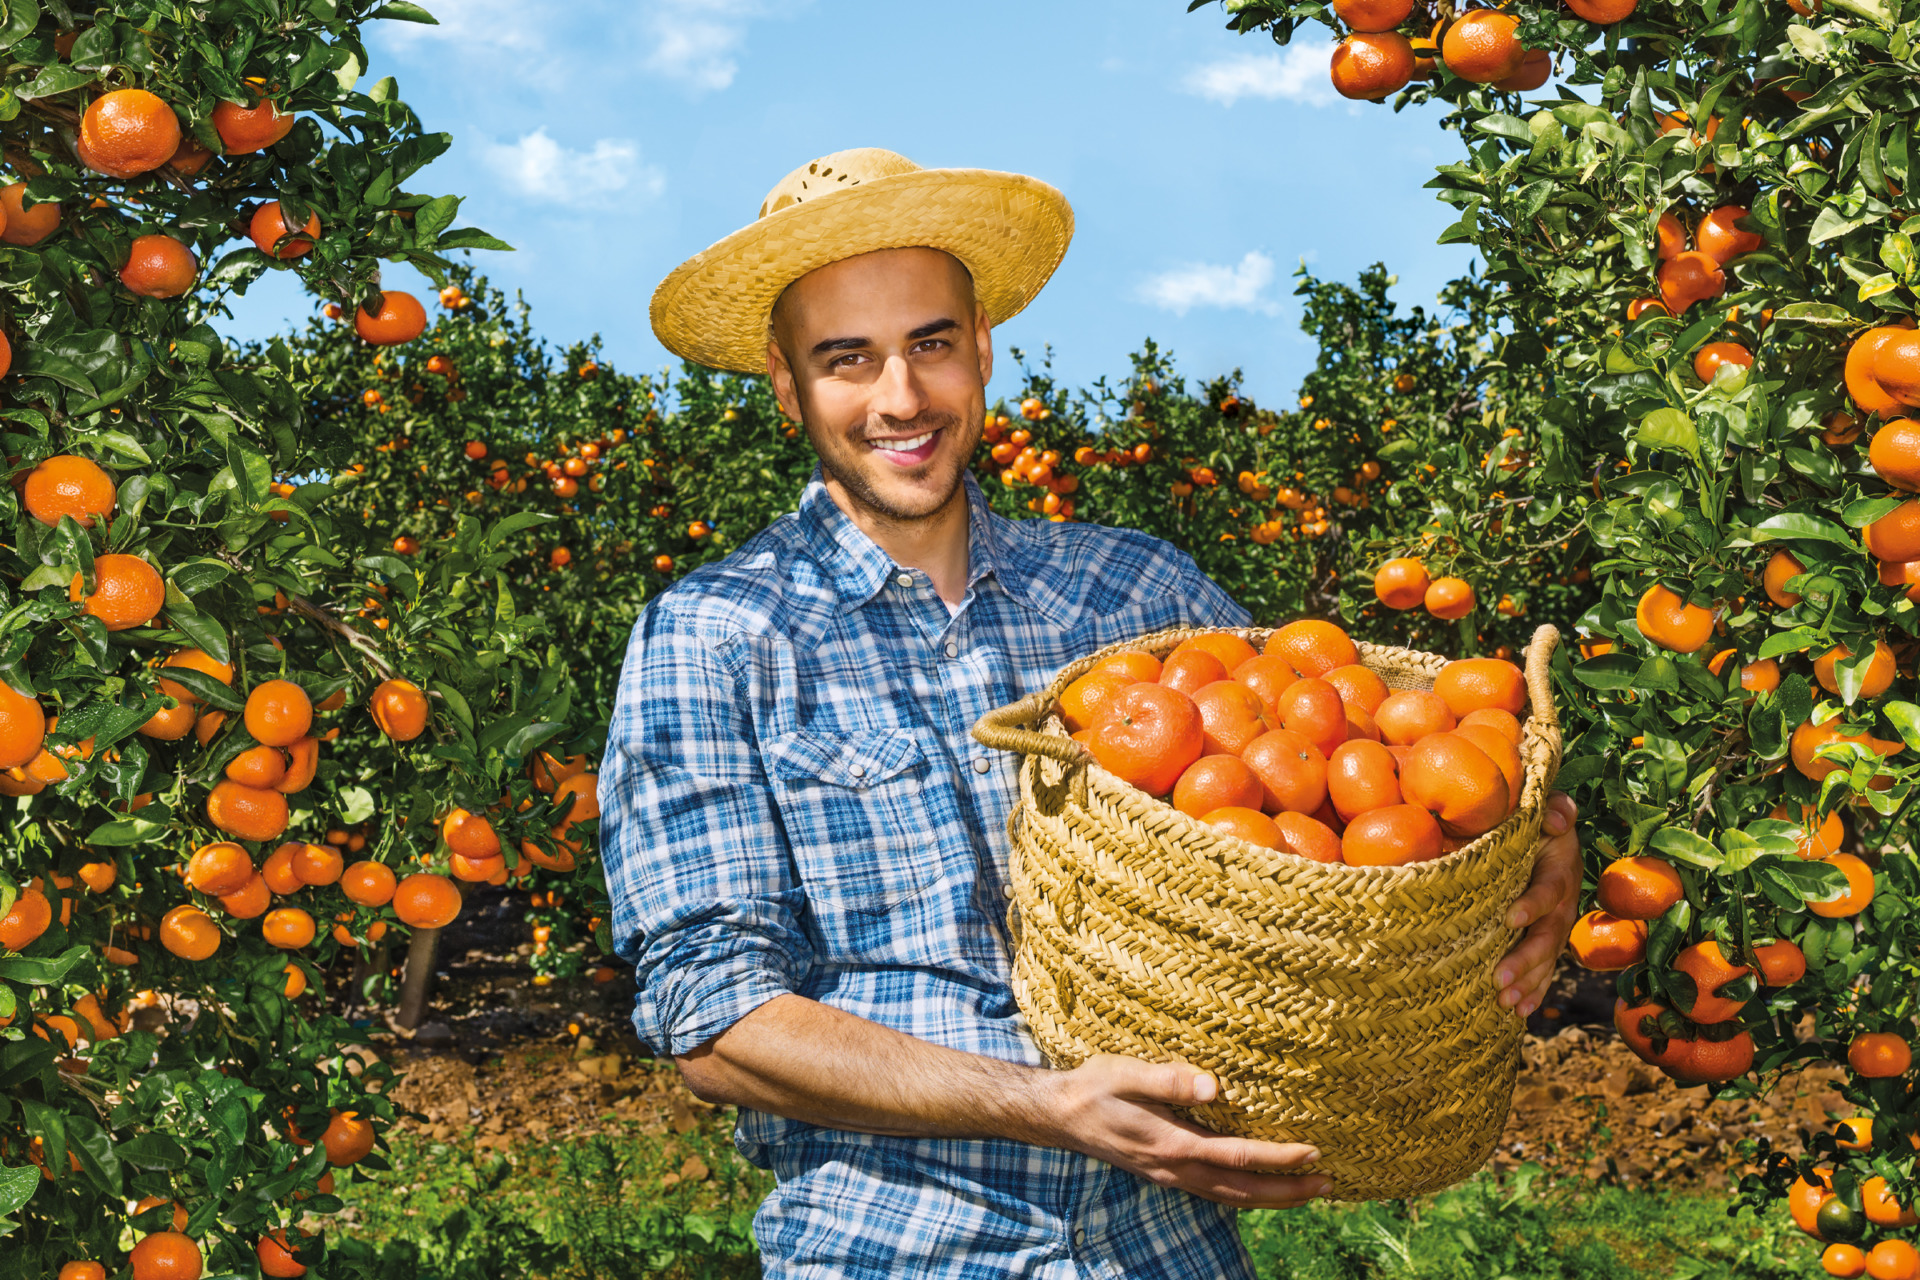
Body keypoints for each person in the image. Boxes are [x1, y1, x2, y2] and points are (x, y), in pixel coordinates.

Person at [602, 148, 1581, 1278]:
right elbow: (715, 1018)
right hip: (890, 1247)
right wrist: (1044, 1103)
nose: (901, 397)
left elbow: (1361, 790)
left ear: (980, 344)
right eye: (846, 358)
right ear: (786, 383)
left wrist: (1525, 863)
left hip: (1168, 1245)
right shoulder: (716, 634)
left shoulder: (1139, 599)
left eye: (930, 342)